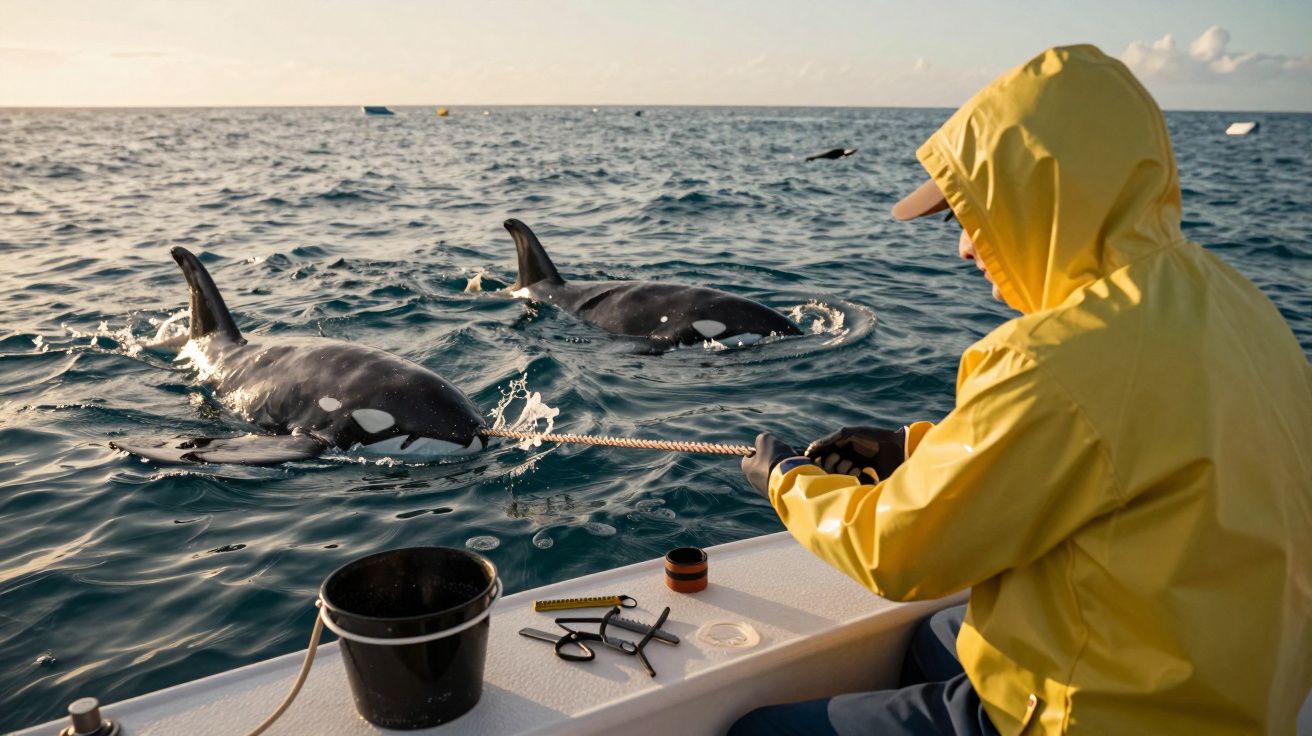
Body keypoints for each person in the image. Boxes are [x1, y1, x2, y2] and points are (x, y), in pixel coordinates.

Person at [733, 44, 1311, 735]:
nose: (964, 250)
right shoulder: (1234, 299)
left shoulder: (1053, 359)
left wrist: (789, 483)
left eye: (967, 218)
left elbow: (897, 553)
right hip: (1232, 687)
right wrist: (913, 449)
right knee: (934, 638)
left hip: (1110, 716)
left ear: (1040, 200)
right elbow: (1114, 449)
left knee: (755, 732)